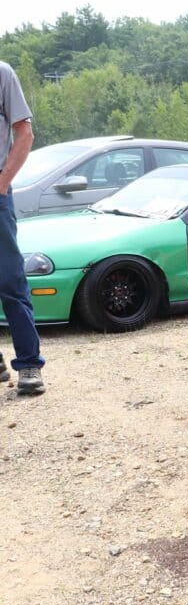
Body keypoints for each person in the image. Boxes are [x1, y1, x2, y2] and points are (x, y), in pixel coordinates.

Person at [0, 61, 45, 394]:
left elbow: (24, 133)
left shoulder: (2, 74)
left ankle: (29, 364)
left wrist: (2, 183)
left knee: (10, 280)